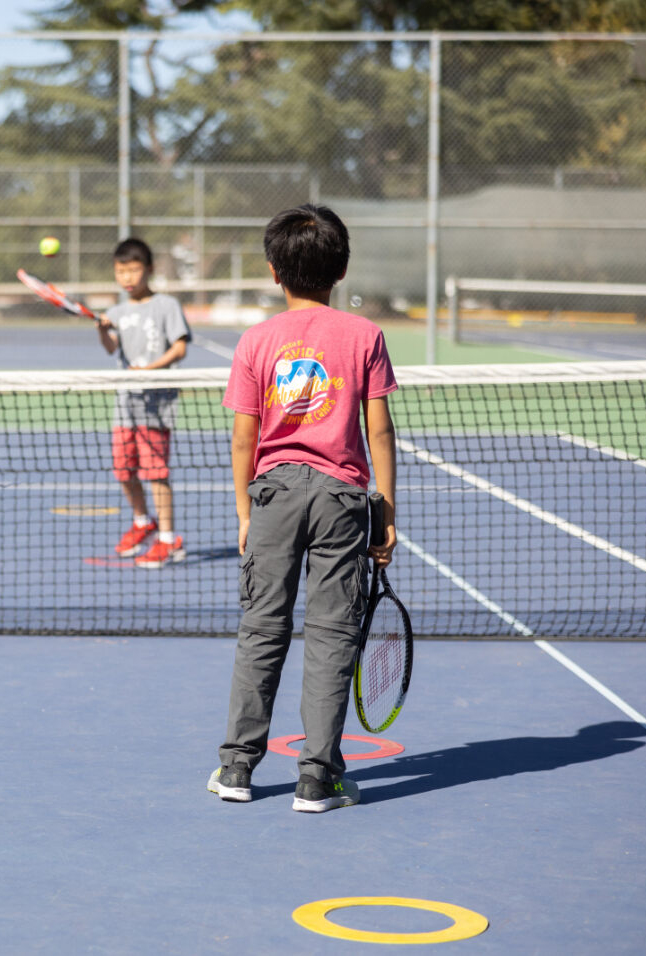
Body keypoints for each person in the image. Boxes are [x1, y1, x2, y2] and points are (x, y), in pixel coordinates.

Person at [207, 204, 398, 812]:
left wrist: (244, 512)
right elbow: (381, 433)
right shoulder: (365, 335)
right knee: (332, 634)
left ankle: (236, 770)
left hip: (274, 495)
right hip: (343, 498)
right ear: (340, 270)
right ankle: (317, 778)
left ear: (272, 271)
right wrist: (386, 514)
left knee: (262, 630)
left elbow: (244, 438)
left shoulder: (255, 340)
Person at [97, 238, 192, 568]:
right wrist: (102, 328)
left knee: (156, 472)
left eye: (134, 269)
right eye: (121, 271)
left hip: (156, 408)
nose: (127, 277)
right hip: (125, 407)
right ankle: (142, 521)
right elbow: (111, 348)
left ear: (148, 269)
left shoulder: (166, 305)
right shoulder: (116, 312)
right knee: (124, 470)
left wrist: (148, 371)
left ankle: (168, 539)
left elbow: (179, 348)